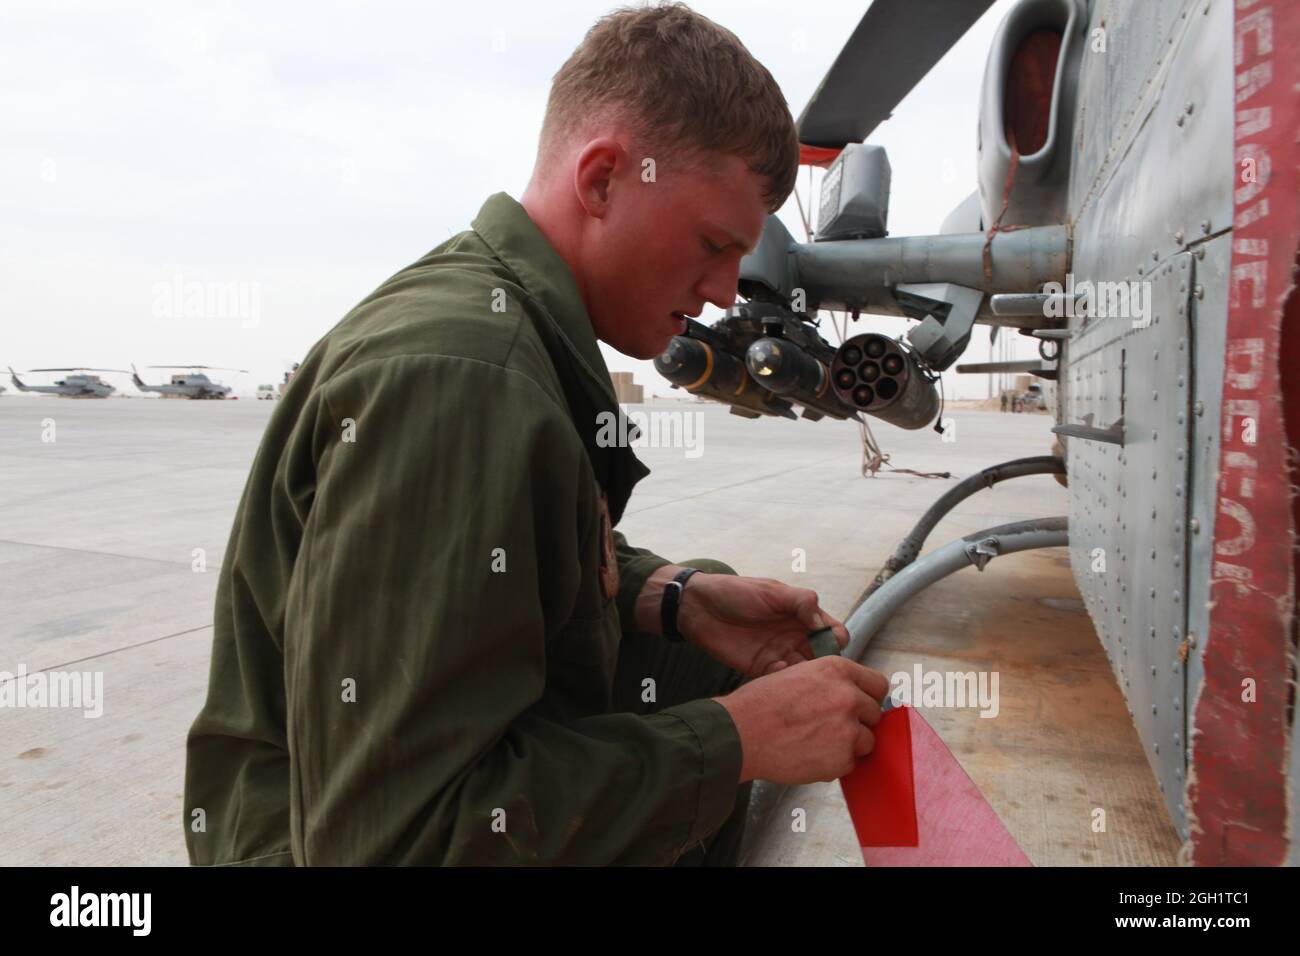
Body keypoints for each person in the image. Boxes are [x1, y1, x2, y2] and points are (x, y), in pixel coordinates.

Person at [184, 1, 887, 867]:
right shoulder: (462, 379)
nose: (718, 292)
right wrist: (734, 743)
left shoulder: (503, 321)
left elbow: (503, 553)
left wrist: (667, 596)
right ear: (601, 181)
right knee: (735, 713)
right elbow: (395, 839)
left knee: (714, 626)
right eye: (711, 244)